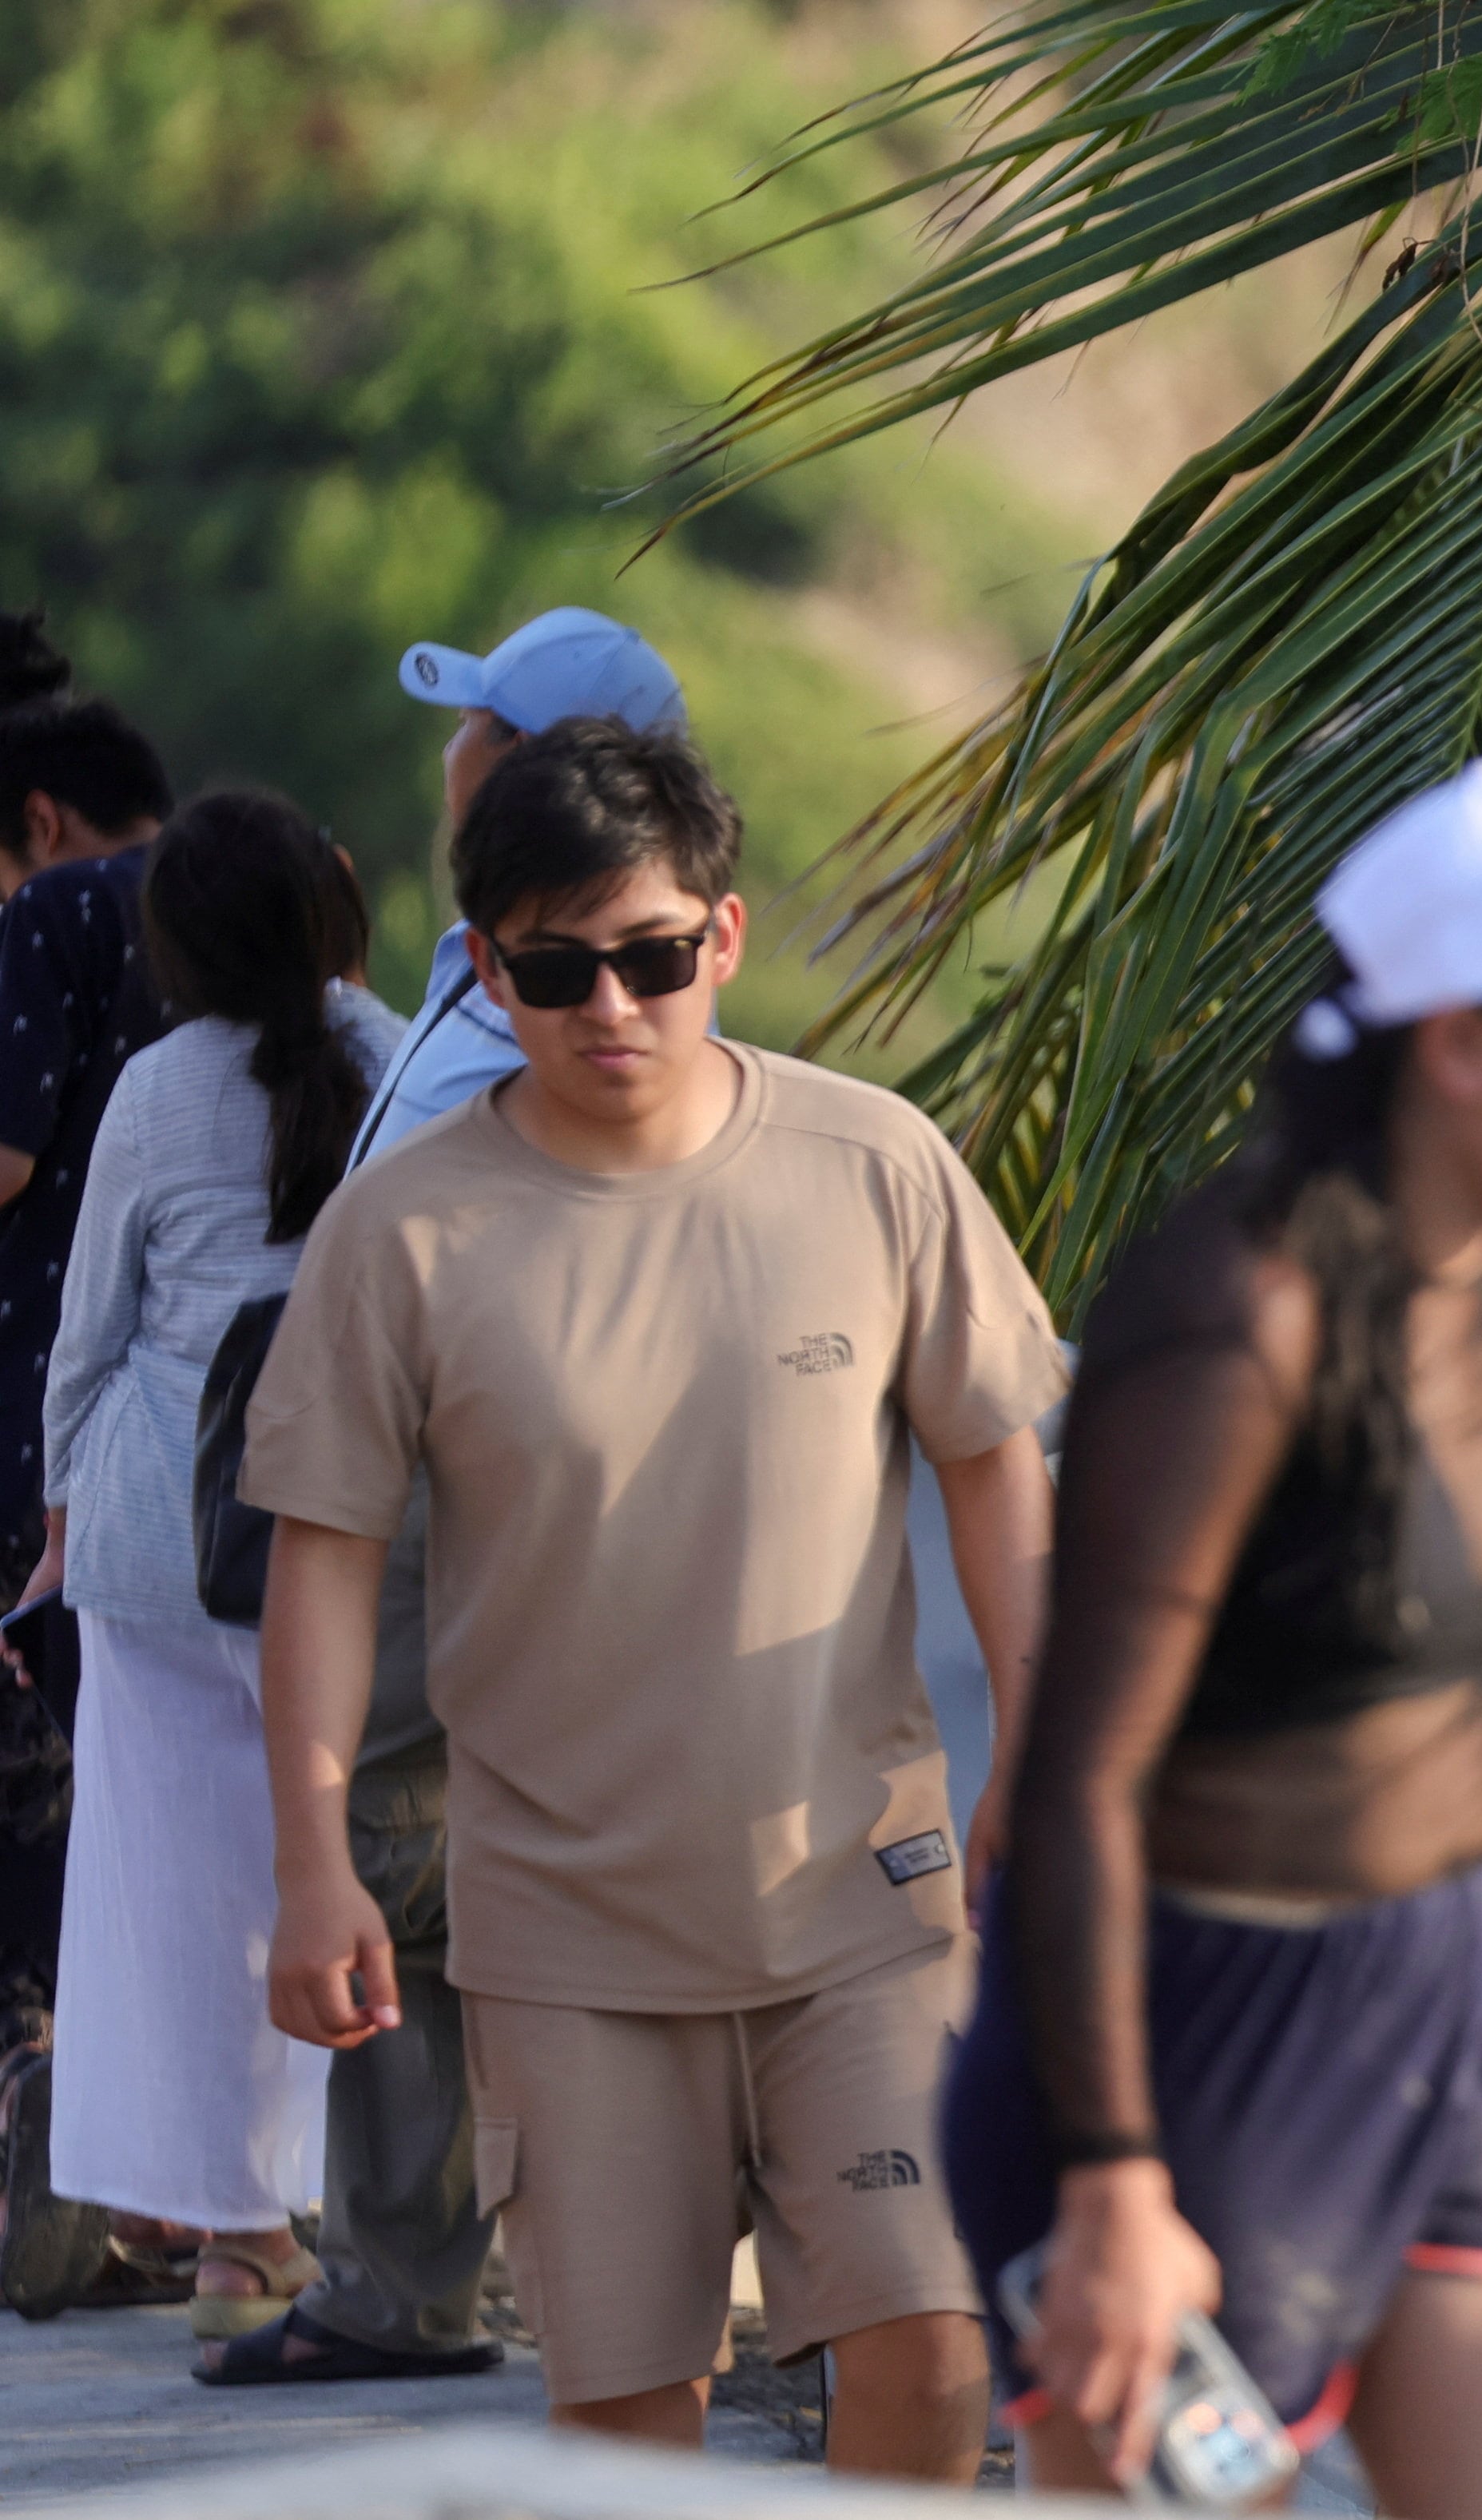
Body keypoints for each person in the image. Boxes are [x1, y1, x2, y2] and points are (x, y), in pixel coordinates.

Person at [945, 759, 1482, 2513]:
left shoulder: (1472, 1254)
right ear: (1464, 1046)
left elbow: (1418, 1686)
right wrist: (1113, 2173)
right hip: (1194, 2043)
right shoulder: (1234, 1312)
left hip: (1444, 1993)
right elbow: (1073, 1782)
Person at [244, 718, 1064, 2477]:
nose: (609, 1006)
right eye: (553, 970)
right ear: (483, 968)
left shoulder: (873, 1163)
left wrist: (1043, 1741)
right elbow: (320, 1551)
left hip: (860, 1897)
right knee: (625, 2426)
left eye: (651, 956)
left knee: (930, 2344)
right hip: (564, 1927)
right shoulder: (402, 1238)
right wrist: (313, 1862)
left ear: (726, 935)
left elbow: (997, 1454)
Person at [200, 609, 689, 2391]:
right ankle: (416, 2260)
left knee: (407, 1849)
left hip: (466, 1485)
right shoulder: (483, 970)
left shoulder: (587, 1004)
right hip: (406, 1469)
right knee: (406, 1850)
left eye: (481, 730)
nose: (449, 761)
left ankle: (413, 2275)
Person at [26, 794, 401, 2343]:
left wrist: (55, 1521)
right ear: (335, 910)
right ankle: (403, 2214)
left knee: (173, 1892)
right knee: (375, 1860)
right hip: (352, 1516)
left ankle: (237, 2245)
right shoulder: (402, 1056)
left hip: (155, 1527)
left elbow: (88, 1327)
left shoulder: (150, 1087)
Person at [0, 612, 179, 2321]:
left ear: (38, 825)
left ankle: (60, 2135)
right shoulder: (290, 965)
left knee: (44, 1814)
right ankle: (146, 2186)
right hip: (210, 1469)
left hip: (41, 1449)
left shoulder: (53, 921)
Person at [356, 608, 688, 1164]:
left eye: (466, 722)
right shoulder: (643, 977)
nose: (449, 750)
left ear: (518, 756)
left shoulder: (570, 992)